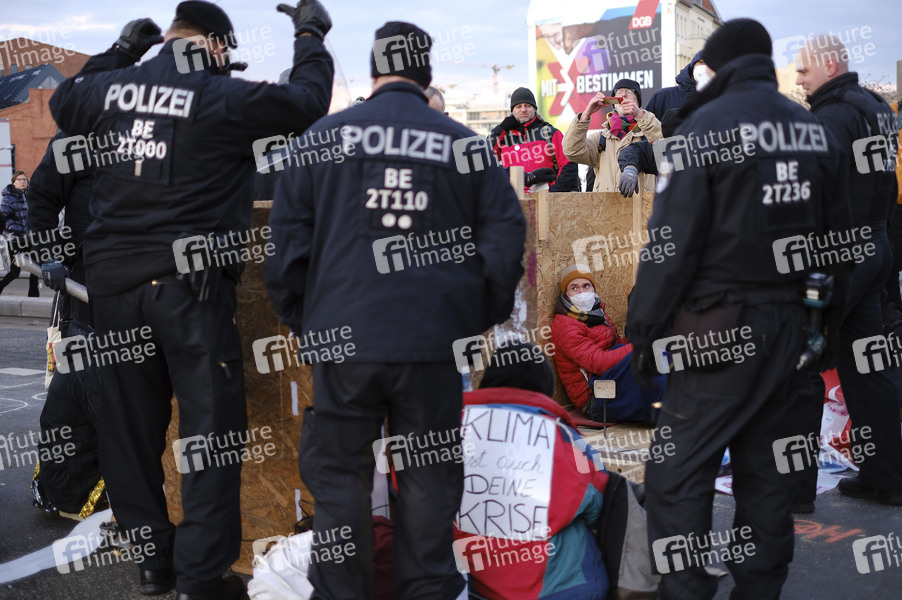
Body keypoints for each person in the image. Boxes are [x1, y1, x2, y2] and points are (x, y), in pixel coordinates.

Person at [48, 1, 335, 598]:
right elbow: (307, 100)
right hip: (188, 291)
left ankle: (153, 561)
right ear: (218, 46)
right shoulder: (219, 95)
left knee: (128, 430)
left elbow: (64, 101)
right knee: (209, 434)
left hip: (114, 290)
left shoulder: (110, 88)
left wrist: (122, 51)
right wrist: (309, 31)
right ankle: (201, 577)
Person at [264, 20, 526, 600]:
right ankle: (426, 590)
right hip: (432, 341)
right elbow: (506, 241)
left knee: (340, 480)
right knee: (429, 478)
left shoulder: (322, 140)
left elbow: (284, 251)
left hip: (344, 339)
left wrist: (308, 322)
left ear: (375, 68)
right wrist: (470, 318)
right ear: (425, 71)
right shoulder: (464, 146)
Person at [626, 19, 852, 600]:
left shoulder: (706, 127)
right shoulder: (812, 130)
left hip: (717, 328)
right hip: (792, 327)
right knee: (768, 477)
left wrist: (644, 331)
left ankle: (687, 589)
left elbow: (670, 247)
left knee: (679, 472)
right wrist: (823, 326)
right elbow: (841, 243)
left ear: (720, 65)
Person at [795, 35, 902, 506]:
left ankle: (794, 490)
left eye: (804, 70)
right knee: (867, 368)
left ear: (830, 65)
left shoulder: (832, 117)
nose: (799, 79)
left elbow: (813, 194)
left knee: (801, 364)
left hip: (840, 256)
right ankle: (886, 476)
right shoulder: (875, 106)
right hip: (875, 248)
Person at [550, 264, 662, 423]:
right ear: (566, 295)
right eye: (574, 288)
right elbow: (599, 363)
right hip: (595, 398)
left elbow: (615, 346)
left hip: (609, 378)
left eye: (586, 286)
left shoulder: (597, 313)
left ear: (593, 288)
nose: (582, 292)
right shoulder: (565, 326)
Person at [563, 79, 661, 193]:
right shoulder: (600, 139)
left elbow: (668, 149)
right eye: (619, 92)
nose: (623, 95)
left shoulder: (649, 133)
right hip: (606, 204)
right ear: (613, 102)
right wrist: (586, 114)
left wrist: (640, 114)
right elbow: (572, 151)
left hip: (642, 204)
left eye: (629, 92)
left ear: (638, 102)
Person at [489, 86, 580, 193]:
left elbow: (569, 165)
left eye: (527, 106)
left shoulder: (550, 133)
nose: (523, 110)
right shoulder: (503, 138)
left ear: (535, 109)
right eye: (518, 106)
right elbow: (484, 159)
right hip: (513, 198)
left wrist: (553, 192)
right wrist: (501, 128)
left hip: (546, 198)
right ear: (512, 111)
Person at [0, 171, 40, 296]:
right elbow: (5, 220)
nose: (23, 182)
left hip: (29, 239)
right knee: (15, 272)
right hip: (14, 240)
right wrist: (23, 230)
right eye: (19, 179)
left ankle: (33, 297)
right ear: (14, 182)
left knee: (35, 268)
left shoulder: (29, 196)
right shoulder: (8, 198)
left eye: (24, 179)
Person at [644, 52, 705, 118]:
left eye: (710, 65)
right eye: (702, 62)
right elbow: (645, 123)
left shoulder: (713, 100)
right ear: (693, 65)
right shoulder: (662, 96)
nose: (705, 68)